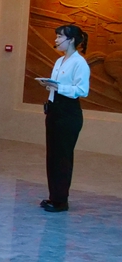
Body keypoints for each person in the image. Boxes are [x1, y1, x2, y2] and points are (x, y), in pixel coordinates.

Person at [38, 25, 90, 213]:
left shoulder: (80, 63)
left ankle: (61, 201)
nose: (56, 40)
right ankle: (54, 196)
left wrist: (59, 87)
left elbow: (82, 90)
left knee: (62, 157)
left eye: (60, 37)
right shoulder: (60, 60)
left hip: (68, 113)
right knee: (53, 156)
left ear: (72, 40)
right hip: (54, 110)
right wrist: (49, 85)